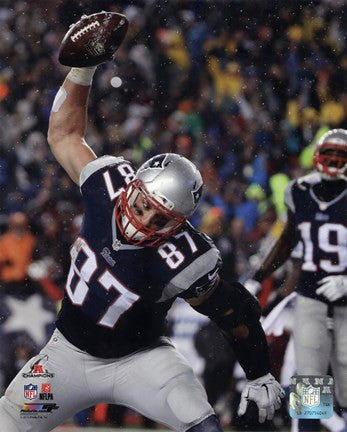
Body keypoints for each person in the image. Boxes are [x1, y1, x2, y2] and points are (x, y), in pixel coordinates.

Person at [0, 14, 284, 432]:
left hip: (142, 361)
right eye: (144, 204)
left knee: (201, 423)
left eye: (161, 218)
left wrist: (259, 371)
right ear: (132, 186)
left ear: (180, 224)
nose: (144, 219)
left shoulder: (183, 257)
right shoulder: (106, 184)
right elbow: (64, 135)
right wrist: (83, 70)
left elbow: (233, 312)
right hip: (64, 358)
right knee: (8, 422)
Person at [245, 128, 347, 432]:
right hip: (311, 296)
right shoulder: (299, 192)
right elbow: (288, 241)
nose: (333, 161)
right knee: (309, 382)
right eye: (329, 155)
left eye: (340, 156)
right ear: (317, 156)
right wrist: (258, 277)